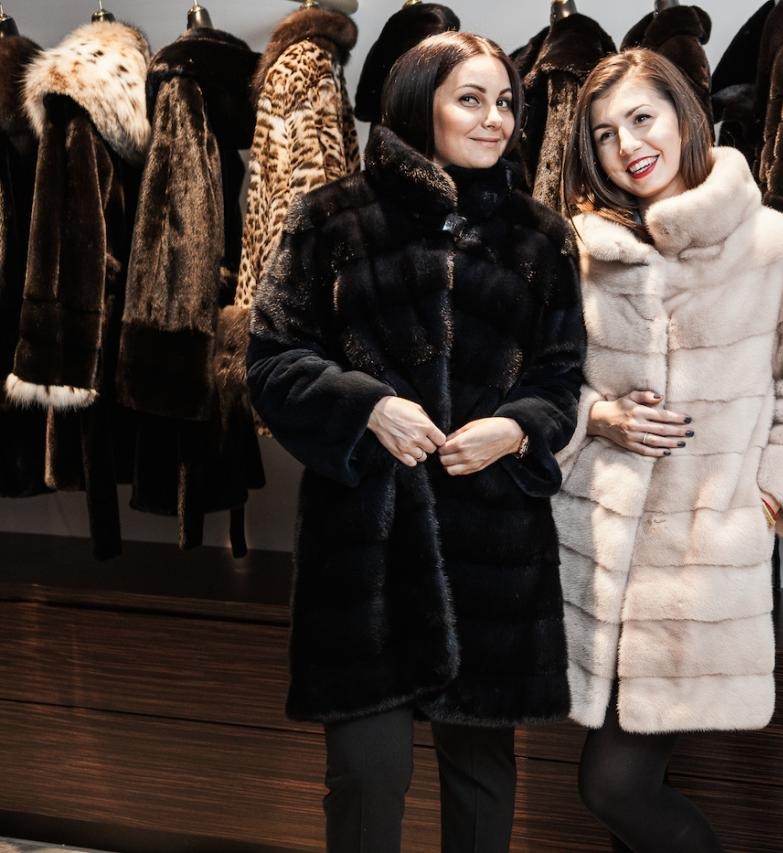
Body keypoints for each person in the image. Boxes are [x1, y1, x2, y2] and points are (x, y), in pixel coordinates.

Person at [246, 32, 586, 852]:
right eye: (470, 99)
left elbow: (560, 377)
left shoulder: (540, 236)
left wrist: (515, 428)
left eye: (505, 102)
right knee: (366, 779)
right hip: (367, 546)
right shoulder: (330, 216)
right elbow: (270, 361)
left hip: (493, 546)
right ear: (415, 101)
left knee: (481, 782)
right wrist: (366, 406)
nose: (495, 119)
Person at [554, 49, 783, 852]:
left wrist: (765, 499)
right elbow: (539, 382)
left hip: (704, 556)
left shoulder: (772, 244)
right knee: (623, 799)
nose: (626, 145)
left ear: (683, 116)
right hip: (598, 555)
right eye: (604, 133)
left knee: (614, 784)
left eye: (640, 118)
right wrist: (596, 417)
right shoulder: (582, 249)